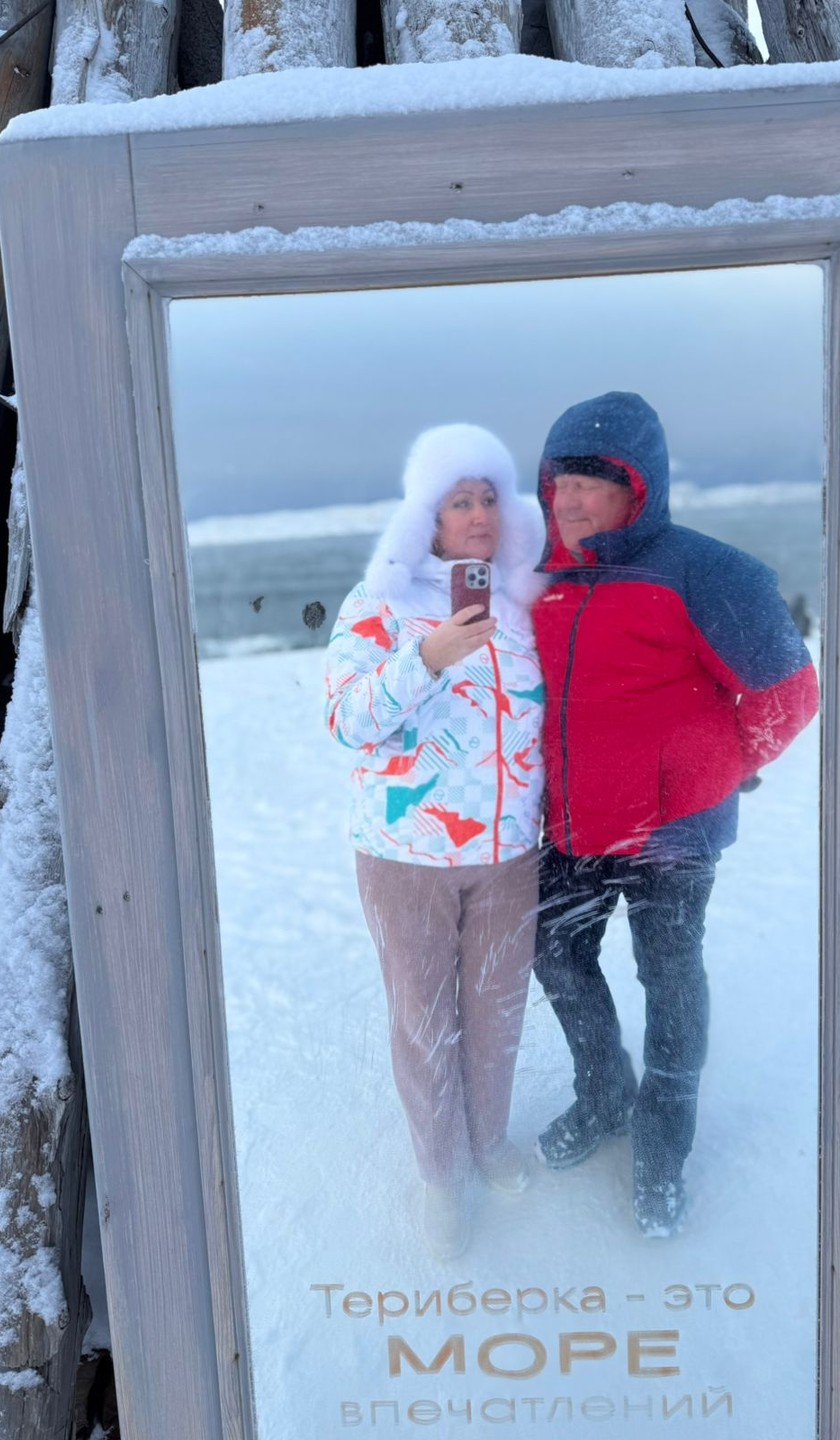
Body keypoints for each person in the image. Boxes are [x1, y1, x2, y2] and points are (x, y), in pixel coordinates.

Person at [530, 391, 819, 1237]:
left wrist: (716, 770)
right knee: (554, 953)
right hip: (571, 823)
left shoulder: (704, 569)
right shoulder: (537, 580)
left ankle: (663, 1144)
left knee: (668, 978)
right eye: (561, 482)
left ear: (640, 488)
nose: (572, 501)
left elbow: (789, 693)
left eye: (595, 483)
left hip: (670, 833)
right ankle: (605, 1091)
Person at [325, 424, 546, 1260]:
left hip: (508, 856)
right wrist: (428, 656)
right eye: (461, 499)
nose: (480, 512)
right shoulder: (378, 604)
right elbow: (346, 722)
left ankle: (487, 1144)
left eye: (490, 495)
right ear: (429, 515)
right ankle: (438, 1176)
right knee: (425, 1021)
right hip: (405, 855)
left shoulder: (523, 605)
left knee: (496, 1013)